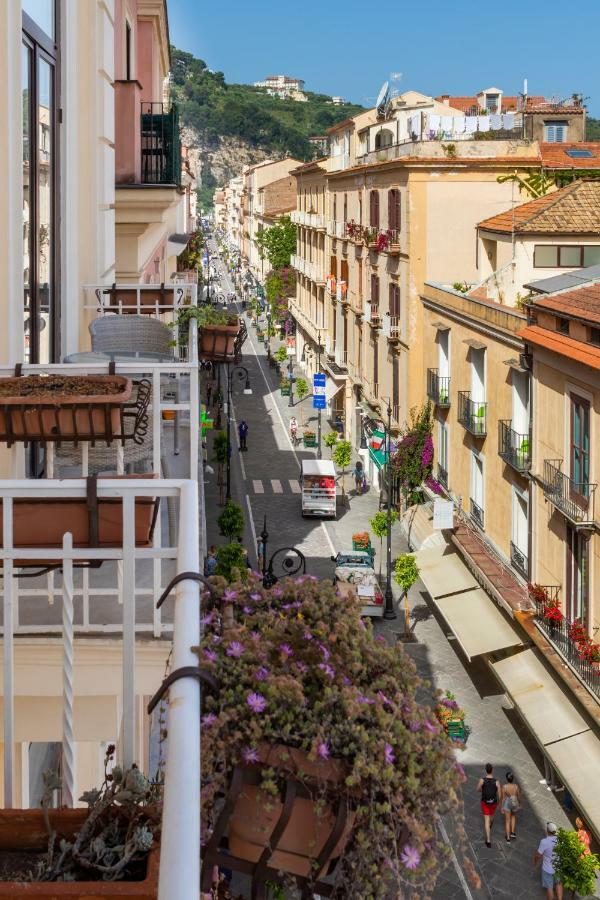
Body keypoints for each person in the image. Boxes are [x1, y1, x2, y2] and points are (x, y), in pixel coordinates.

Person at [534, 822, 563, 899]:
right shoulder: (560, 840)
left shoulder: (544, 842)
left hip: (548, 869)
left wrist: (535, 861)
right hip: (558, 867)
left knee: (549, 887)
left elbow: (538, 855)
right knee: (558, 883)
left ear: (547, 831)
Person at [476, 763, 501, 848]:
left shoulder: (482, 780)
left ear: (486, 770)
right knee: (491, 817)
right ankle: (490, 825)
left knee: (486, 820)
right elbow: (500, 794)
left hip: (485, 802)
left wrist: (482, 789)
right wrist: (500, 805)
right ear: (492, 770)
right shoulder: (497, 782)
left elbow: (477, 789)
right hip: (493, 802)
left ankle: (488, 841)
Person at [501, 771, 522, 842]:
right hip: (514, 803)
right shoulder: (516, 786)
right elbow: (519, 796)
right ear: (513, 779)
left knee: (507, 821)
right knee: (513, 816)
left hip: (507, 803)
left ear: (507, 779)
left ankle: (508, 837)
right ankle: (512, 832)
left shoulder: (504, 787)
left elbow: (503, 798)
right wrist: (520, 804)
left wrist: (502, 807)